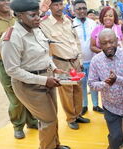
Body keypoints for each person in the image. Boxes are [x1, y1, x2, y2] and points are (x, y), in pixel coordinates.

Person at [0, 0, 69, 149]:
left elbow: (44, 54)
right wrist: (44, 80)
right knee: (48, 119)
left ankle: (54, 145)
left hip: (47, 78)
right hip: (28, 85)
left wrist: (54, 68)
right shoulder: (12, 37)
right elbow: (12, 70)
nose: (38, 18)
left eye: (38, 14)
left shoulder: (36, 29)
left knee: (52, 117)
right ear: (19, 15)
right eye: (33, 15)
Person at [40, 0, 90, 130]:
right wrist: (42, 10)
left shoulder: (69, 20)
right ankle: (71, 118)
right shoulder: (44, 23)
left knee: (78, 89)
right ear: (50, 7)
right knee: (66, 92)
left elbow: (76, 41)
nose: (59, 7)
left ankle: (78, 114)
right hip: (61, 62)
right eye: (55, 5)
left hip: (75, 61)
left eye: (60, 4)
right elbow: (32, 24)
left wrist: (80, 59)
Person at [88, 29, 123, 149]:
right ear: (99, 44)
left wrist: (117, 79)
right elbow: (91, 84)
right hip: (110, 106)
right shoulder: (96, 61)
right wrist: (105, 84)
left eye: (111, 42)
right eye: (104, 43)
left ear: (117, 41)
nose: (108, 46)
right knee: (116, 136)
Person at [0, 0, 38, 139]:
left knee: (28, 92)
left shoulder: (18, 16)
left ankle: (32, 121)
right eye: (2, 0)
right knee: (15, 99)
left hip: (25, 62)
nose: (6, 2)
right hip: (5, 64)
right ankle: (18, 126)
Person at [72, 0, 103, 115]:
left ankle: (95, 105)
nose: (82, 11)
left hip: (93, 60)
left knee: (94, 83)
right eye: (79, 8)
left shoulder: (93, 23)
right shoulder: (71, 24)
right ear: (74, 11)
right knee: (82, 85)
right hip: (79, 62)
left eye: (84, 8)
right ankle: (84, 105)